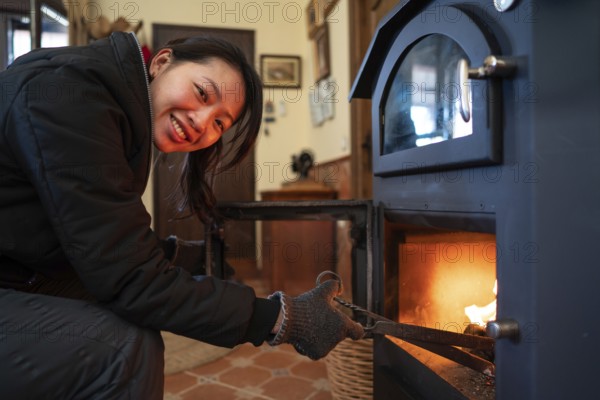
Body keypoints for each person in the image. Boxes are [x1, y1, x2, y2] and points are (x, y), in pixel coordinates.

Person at [0, 31, 364, 398]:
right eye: (203, 94)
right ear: (161, 62)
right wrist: (282, 320)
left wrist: (173, 256)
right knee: (125, 348)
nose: (202, 123)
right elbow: (129, 280)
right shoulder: (74, 97)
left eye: (220, 124)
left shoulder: (104, 98)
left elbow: (89, 232)